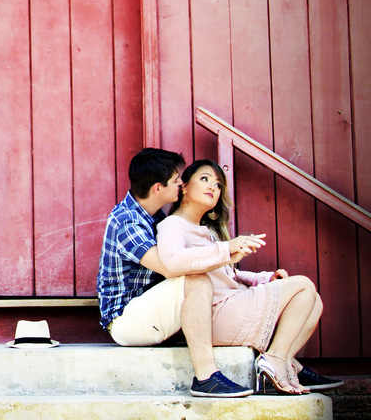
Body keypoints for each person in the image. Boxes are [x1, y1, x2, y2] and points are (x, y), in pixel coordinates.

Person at [156, 159, 343, 394]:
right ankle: (274, 359)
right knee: (304, 286)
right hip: (214, 315)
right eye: (204, 179)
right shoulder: (173, 225)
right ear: (184, 187)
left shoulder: (207, 231)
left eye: (218, 184)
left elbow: (229, 274)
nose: (213, 186)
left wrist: (265, 278)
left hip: (232, 306)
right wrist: (227, 248)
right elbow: (173, 260)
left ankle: (285, 363)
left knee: (314, 301)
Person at [98, 147, 258, 398]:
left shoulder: (153, 216)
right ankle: (206, 378)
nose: (181, 184)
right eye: (175, 180)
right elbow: (171, 268)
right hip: (125, 319)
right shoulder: (127, 221)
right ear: (158, 188)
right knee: (196, 280)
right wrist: (226, 251)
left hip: (152, 311)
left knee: (200, 278)